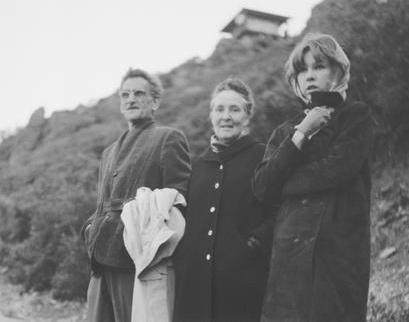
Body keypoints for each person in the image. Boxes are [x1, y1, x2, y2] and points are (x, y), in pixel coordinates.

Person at [254, 33, 374, 322]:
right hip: (288, 254)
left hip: (336, 251)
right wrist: (302, 132)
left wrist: (283, 184)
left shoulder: (356, 116)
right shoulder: (285, 131)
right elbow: (261, 187)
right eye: (302, 69)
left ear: (338, 70)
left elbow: (337, 170)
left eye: (318, 66)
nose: (309, 75)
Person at [82, 68, 192, 322]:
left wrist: (149, 245)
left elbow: (178, 201)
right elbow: (102, 204)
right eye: (125, 94)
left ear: (154, 101)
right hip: (100, 256)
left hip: (137, 259)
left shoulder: (168, 138)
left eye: (139, 93)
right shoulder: (108, 152)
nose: (131, 99)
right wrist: (89, 229)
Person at [174, 77, 275, 322]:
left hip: (243, 282)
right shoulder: (199, 166)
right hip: (194, 285)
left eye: (234, 109)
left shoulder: (263, 156)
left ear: (247, 115)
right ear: (211, 116)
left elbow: (279, 210)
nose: (226, 116)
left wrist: (253, 244)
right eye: (219, 109)